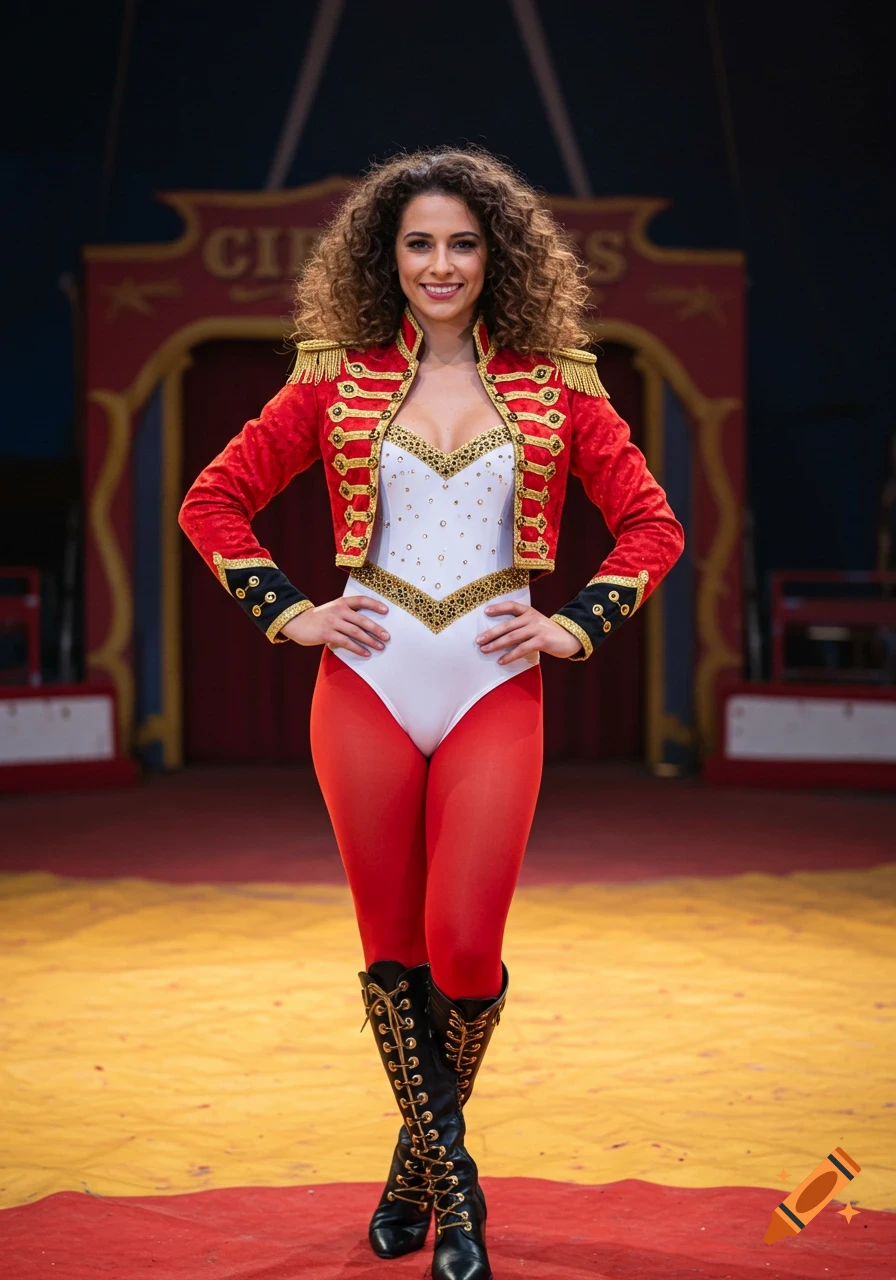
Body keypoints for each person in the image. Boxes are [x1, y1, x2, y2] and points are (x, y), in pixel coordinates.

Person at [179, 147, 684, 1280]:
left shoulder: (559, 380)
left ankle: (414, 1160)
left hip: (494, 682)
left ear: (495, 252)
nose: (441, 263)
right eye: (418, 242)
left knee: (463, 948)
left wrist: (577, 622)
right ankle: (457, 1201)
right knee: (389, 944)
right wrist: (288, 609)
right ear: (386, 255)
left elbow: (652, 524)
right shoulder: (331, 375)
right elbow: (211, 499)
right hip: (364, 679)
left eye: (462, 241)